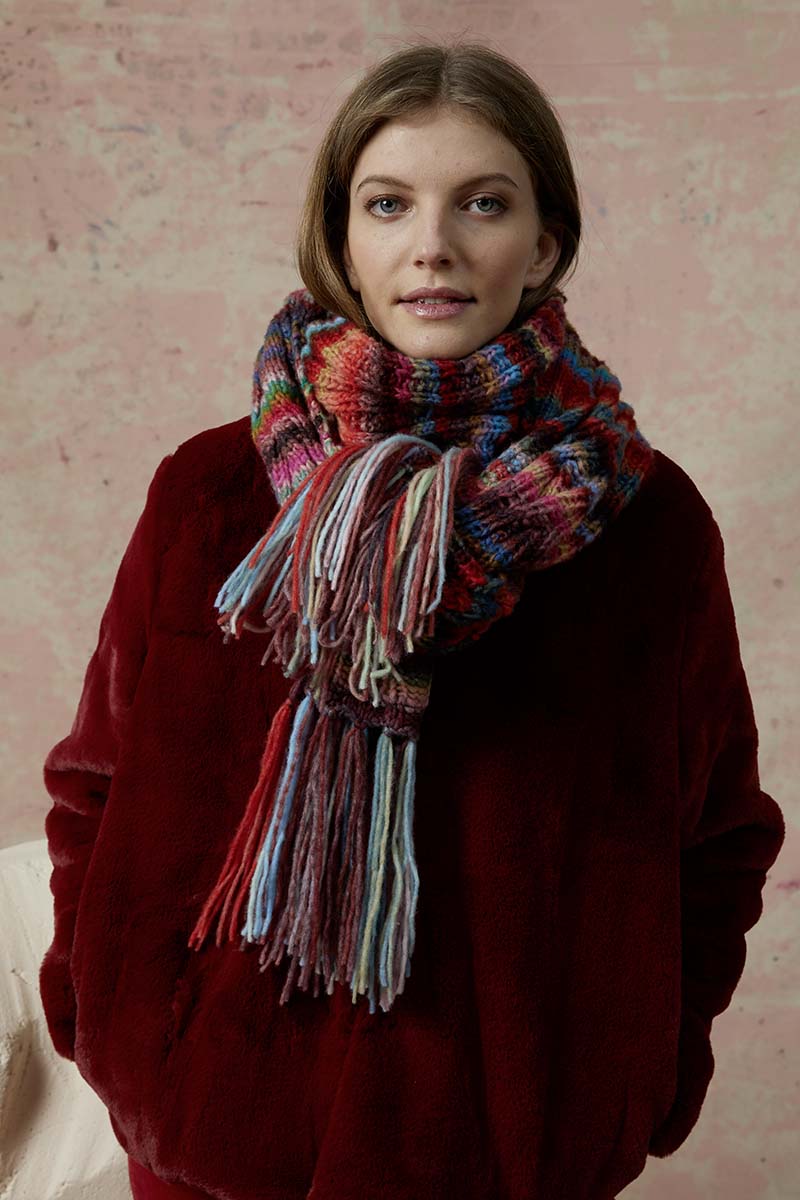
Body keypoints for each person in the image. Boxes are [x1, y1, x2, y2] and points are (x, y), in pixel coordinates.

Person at [39, 39, 785, 1200]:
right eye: (387, 203)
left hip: (507, 1165)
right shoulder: (208, 496)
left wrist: (633, 1081)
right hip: (210, 1155)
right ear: (343, 237)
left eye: (482, 203)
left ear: (543, 243)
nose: (431, 243)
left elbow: (717, 837)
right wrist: (118, 1034)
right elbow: (95, 785)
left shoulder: (647, 527)